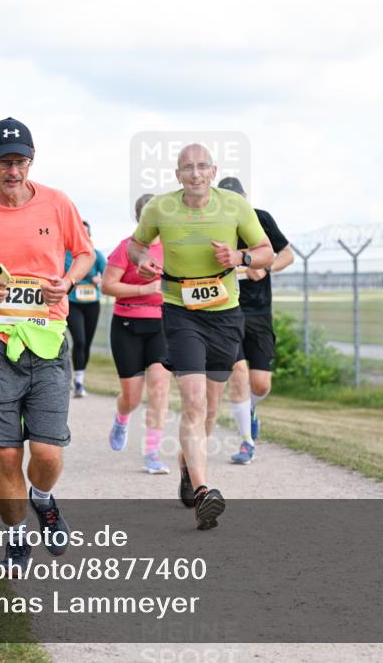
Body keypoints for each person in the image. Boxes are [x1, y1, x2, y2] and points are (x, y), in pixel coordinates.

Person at [0, 116, 94, 573]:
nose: (14, 171)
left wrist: (66, 281)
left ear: (32, 160)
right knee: (6, 452)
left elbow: (85, 252)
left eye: (22, 161)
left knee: (47, 453)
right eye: (5, 161)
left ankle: (43, 498)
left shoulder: (57, 203)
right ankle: (14, 538)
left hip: (48, 338)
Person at [128, 143, 273, 530]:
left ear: (213, 170)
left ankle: (187, 469)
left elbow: (266, 252)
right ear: (177, 174)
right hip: (179, 311)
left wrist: (240, 258)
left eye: (202, 166)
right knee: (192, 401)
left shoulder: (235, 207)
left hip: (225, 313)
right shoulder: (160, 208)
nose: (195, 173)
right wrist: (142, 261)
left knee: (210, 407)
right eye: (187, 168)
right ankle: (205, 490)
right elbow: (135, 244)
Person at [217, 177, 295, 465]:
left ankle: (250, 409)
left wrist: (266, 268)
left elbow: (287, 254)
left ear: (245, 198)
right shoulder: (214, 227)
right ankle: (246, 442)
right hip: (226, 311)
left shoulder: (260, 219)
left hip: (259, 312)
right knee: (237, 373)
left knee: (260, 384)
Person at [102, 193, 172, 474]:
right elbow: (107, 286)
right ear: (140, 219)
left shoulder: (172, 249)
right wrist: (146, 290)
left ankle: (152, 452)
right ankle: (122, 418)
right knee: (132, 396)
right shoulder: (125, 249)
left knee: (159, 387)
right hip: (127, 325)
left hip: (161, 326)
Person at [65, 221, 106, 397]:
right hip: (72, 303)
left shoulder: (96, 255)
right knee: (79, 340)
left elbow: (108, 275)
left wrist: (99, 280)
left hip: (92, 303)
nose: (84, 237)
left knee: (86, 343)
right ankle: (77, 383)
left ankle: (79, 378)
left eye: (87, 234)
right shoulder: (64, 255)